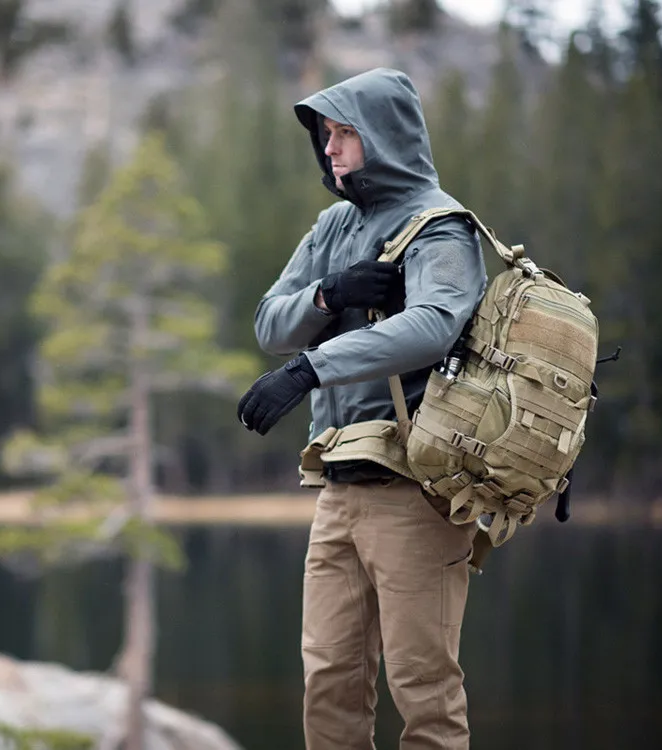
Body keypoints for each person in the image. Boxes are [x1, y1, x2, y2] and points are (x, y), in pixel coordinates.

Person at [237, 68, 486, 750]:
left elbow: (433, 324)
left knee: (424, 691)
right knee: (330, 683)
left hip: (417, 490)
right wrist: (329, 294)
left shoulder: (441, 227)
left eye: (345, 133)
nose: (330, 148)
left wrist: (310, 367)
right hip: (337, 489)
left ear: (385, 136)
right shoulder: (334, 224)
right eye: (326, 134)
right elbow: (269, 323)